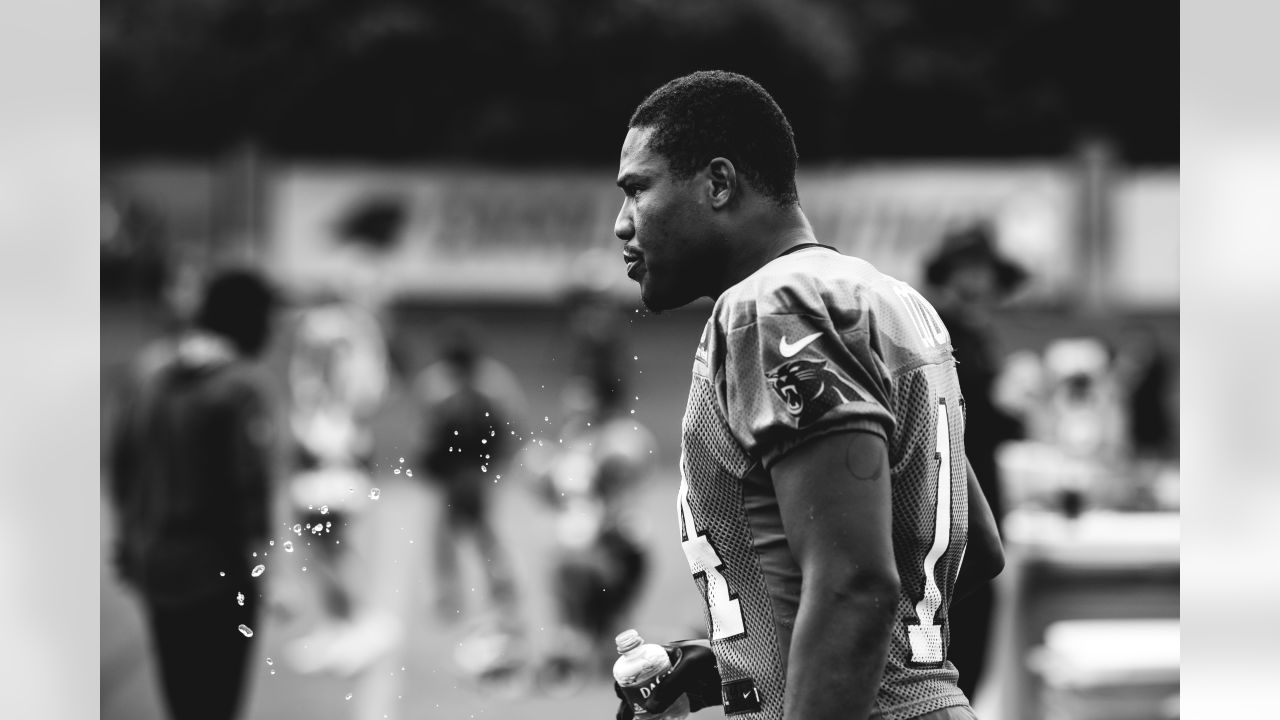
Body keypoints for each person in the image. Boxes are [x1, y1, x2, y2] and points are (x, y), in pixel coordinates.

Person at [608, 71, 1004, 720]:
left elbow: (855, 584)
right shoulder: (889, 299)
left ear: (717, 183)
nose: (622, 224)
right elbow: (971, 548)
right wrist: (744, 666)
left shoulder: (773, 307)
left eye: (637, 190)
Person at [108, 268, 278, 720]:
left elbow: (122, 467)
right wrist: (263, 571)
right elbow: (249, 492)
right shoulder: (241, 387)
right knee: (218, 702)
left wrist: (128, 542)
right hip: (219, 574)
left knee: (182, 699)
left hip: (158, 564)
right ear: (251, 319)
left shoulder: (149, 372)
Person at [923, 222, 1028, 699]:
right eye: (966, 271)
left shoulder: (977, 334)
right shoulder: (942, 334)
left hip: (975, 496)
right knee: (955, 650)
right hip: (950, 506)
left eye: (982, 272)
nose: (976, 283)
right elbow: (962, 421)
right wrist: (1010, 407)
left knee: (972, 647)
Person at [414, 322, 527, 624]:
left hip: (481, 471)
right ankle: (450, 595)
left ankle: (502, 592)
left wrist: (495, 470)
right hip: (451, 473)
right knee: (445, 536)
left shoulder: (493, 383)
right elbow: (429, 434)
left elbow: (512, 427)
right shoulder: (436, 383)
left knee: (484, 533)